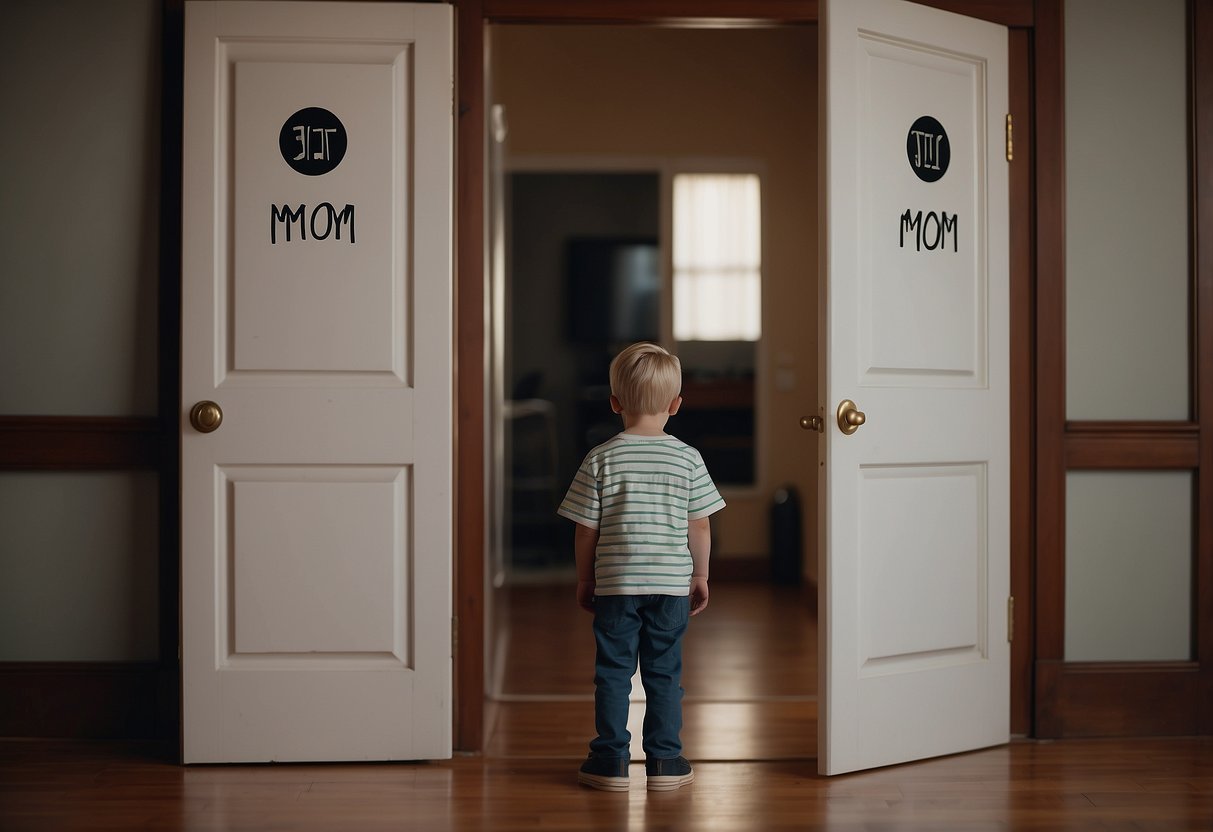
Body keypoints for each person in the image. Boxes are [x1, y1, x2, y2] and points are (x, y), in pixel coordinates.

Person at [557, 342, 725, 792]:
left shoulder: (601, 458)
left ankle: (609, 760)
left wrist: (585, 578)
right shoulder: (687, 458)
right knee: (664, 672)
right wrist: (700, 575)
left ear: (615, 403)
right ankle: (665, 762)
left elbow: (585, 531)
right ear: (675, 404)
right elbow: (701, 527)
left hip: (616, 585)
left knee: (613, 672)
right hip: (671, 586)